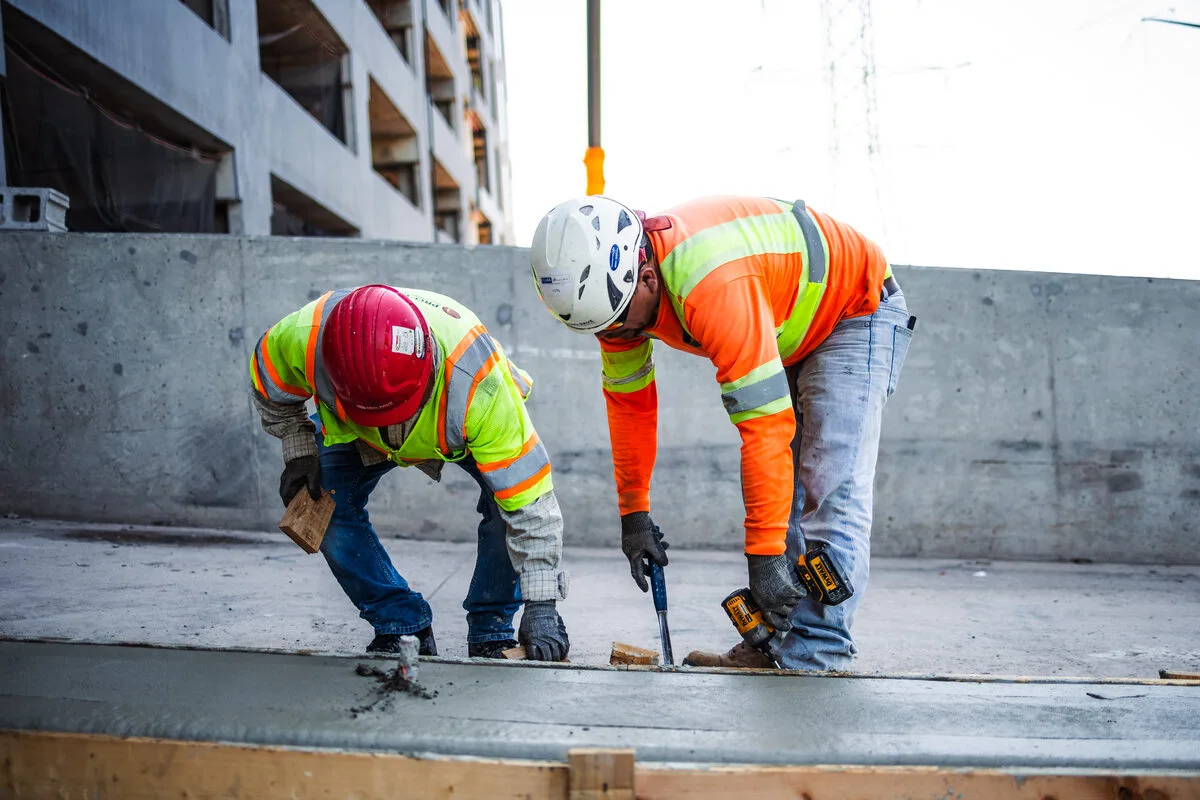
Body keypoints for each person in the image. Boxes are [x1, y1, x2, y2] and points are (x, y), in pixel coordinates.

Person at [529, 196, 914, 670]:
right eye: (605, 329)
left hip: (855, 310)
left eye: (620, 323)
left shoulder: (711, 284)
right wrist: (634, 514)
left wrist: (764, 558)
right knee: (785, 497)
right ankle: (774, 645)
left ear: (647, 278)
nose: (618, 337)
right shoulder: (618, 305)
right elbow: (630, 407)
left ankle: (818, 654)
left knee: (827, 484)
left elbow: (764, 428)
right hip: (790, 323)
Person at [250, 284, 569, 661]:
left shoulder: (481, 389)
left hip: (455, 416)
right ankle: (401, 623)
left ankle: (491, 628)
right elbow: (270, 390)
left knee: (506, 507)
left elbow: (530, 506)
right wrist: (299, 449)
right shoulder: (300, 339)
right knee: (325, 502)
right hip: (352, 422)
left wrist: (542, 604)